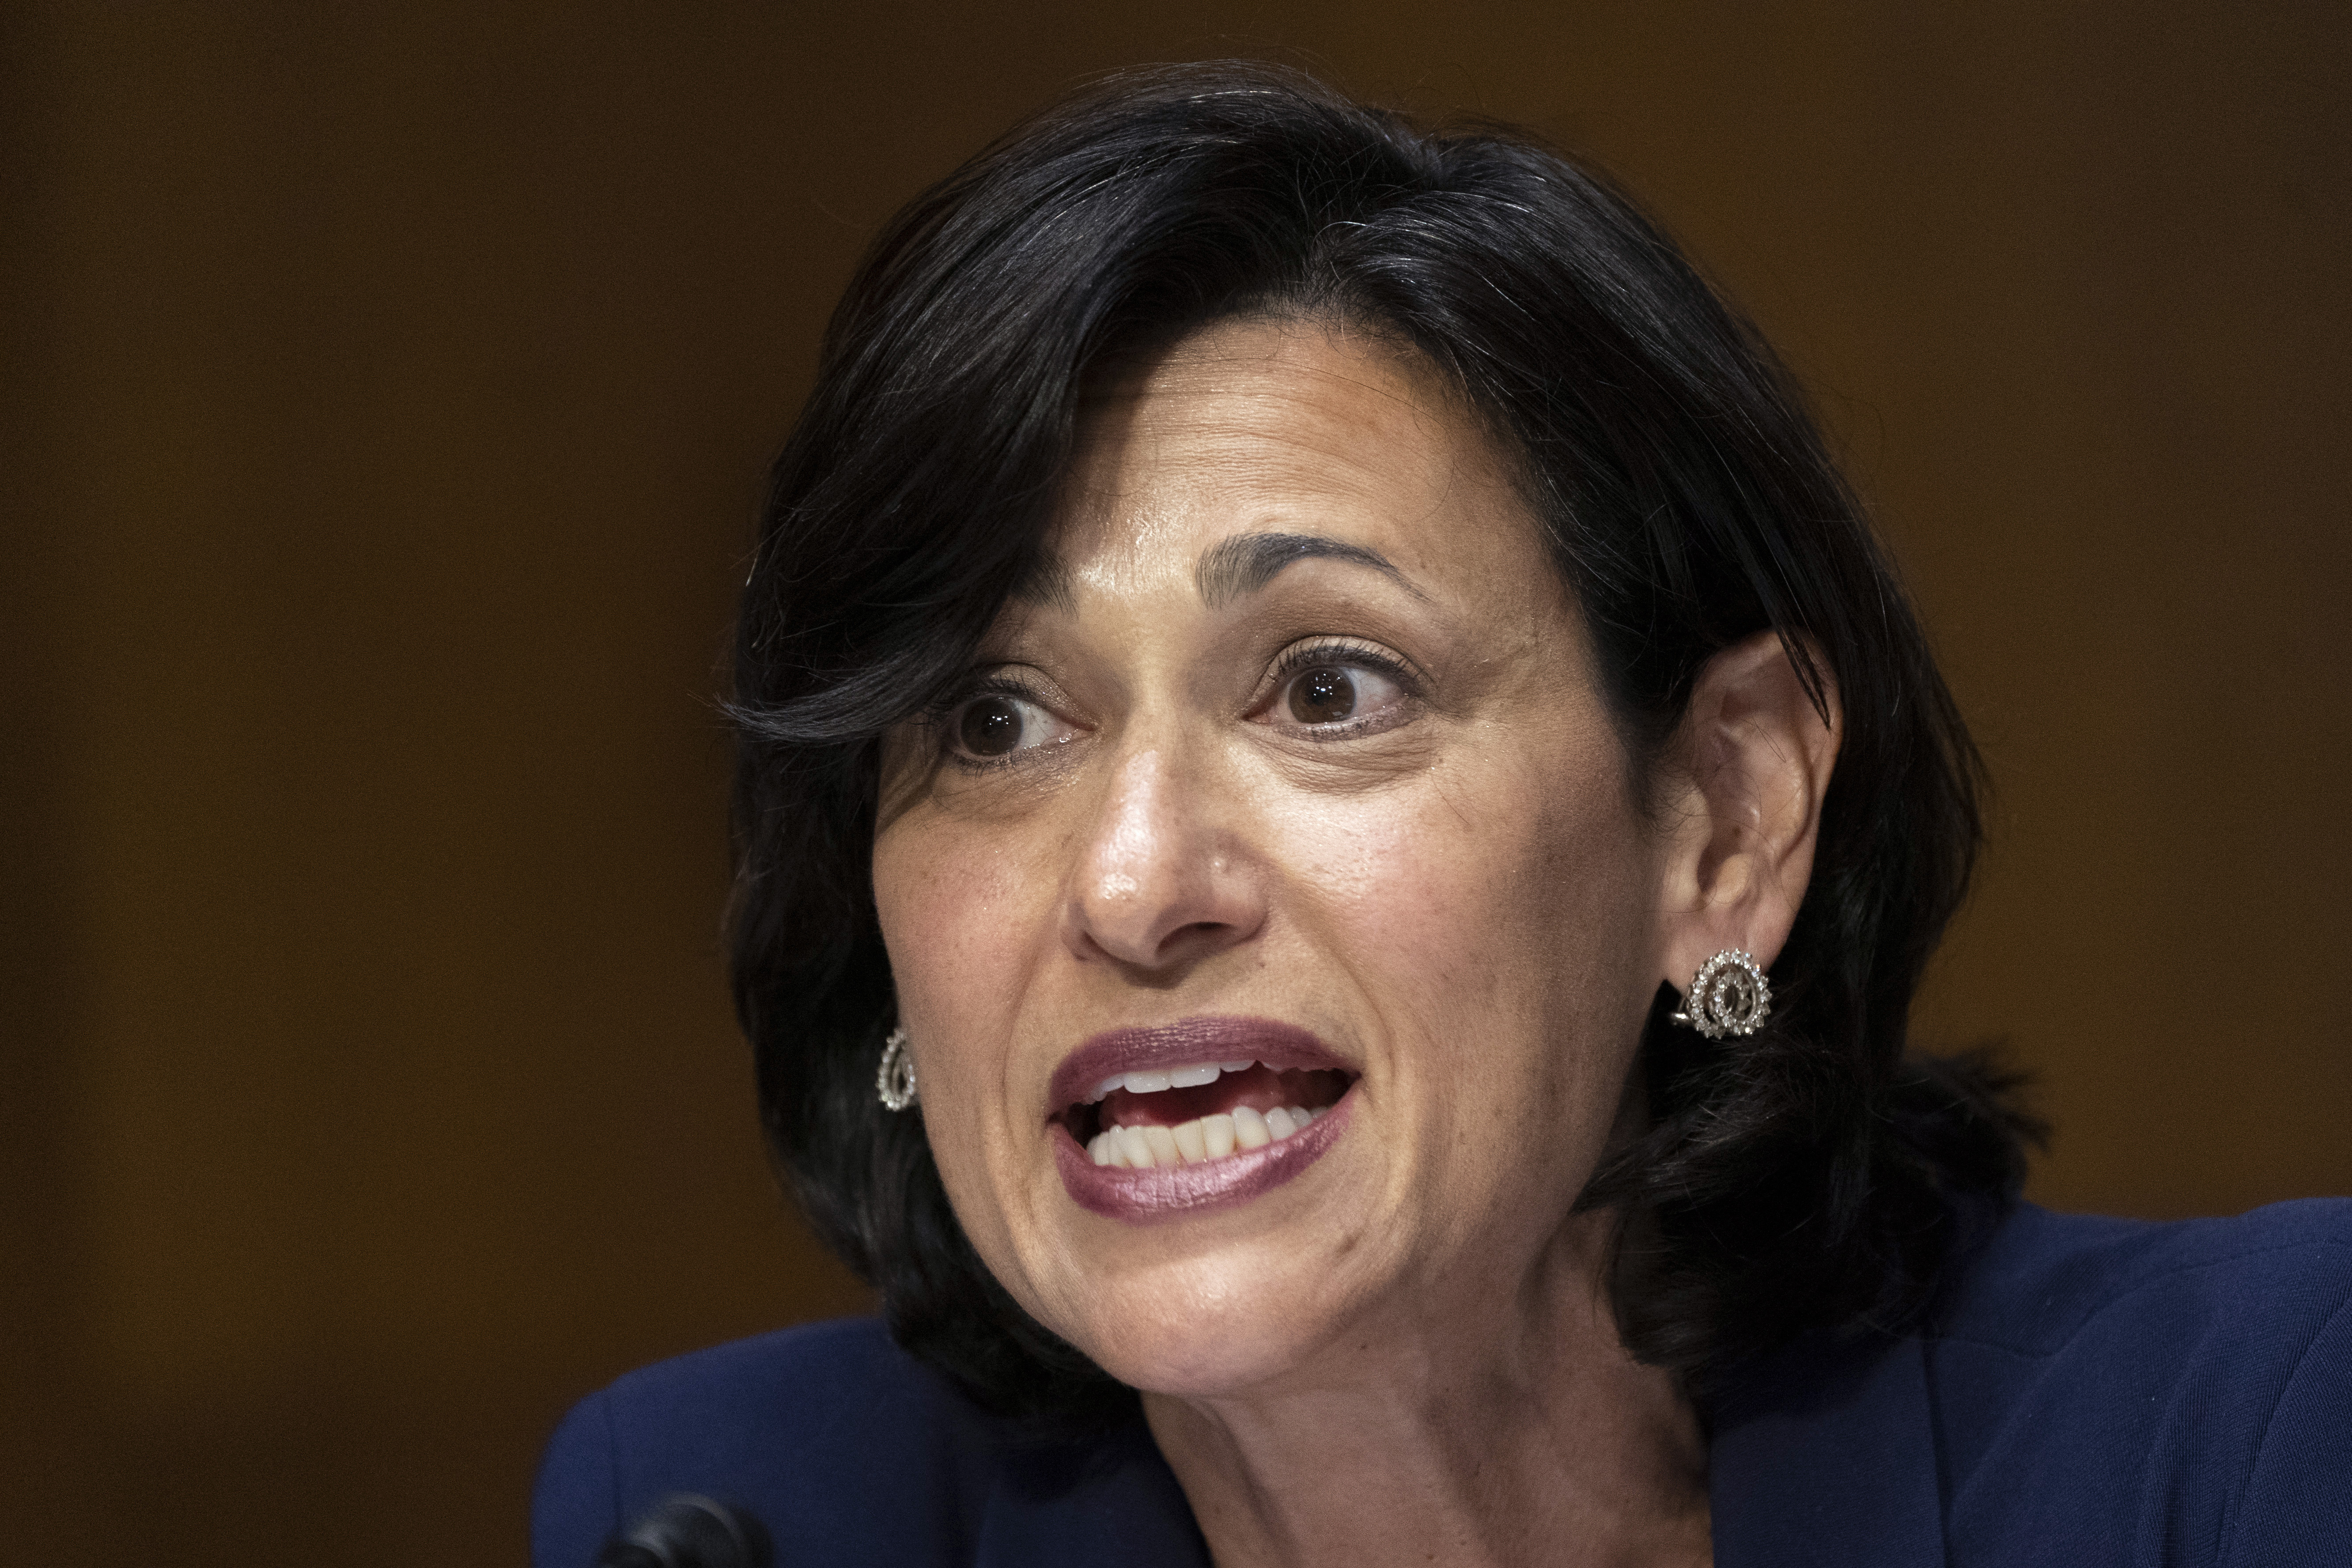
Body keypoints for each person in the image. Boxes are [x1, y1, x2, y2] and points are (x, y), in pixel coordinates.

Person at [532, 63, 2351, 1568]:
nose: (1134, 878)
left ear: (1725, 820)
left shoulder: (2253, 1441)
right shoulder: (745, 1524)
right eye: (996, 720)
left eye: (1329, 688)